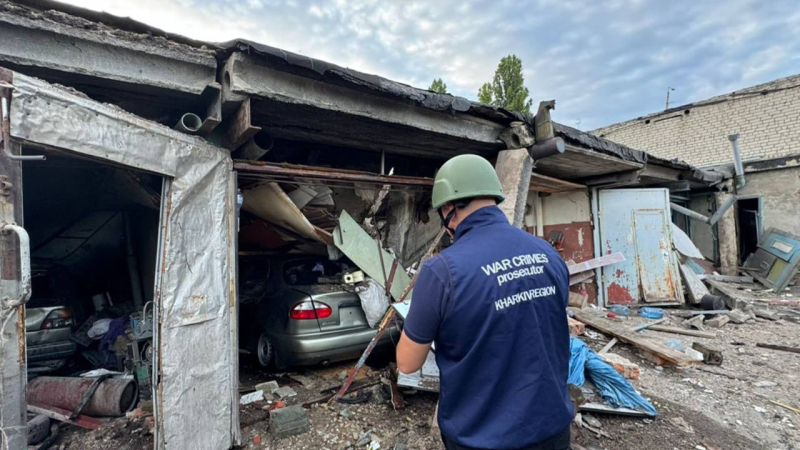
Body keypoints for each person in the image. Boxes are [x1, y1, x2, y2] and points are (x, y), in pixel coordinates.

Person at [396, 154, 573, 450]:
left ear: (449, 208)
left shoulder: (441, 272)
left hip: (481, 437)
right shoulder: (547, 254)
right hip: (552, 431)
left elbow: (407, 363)